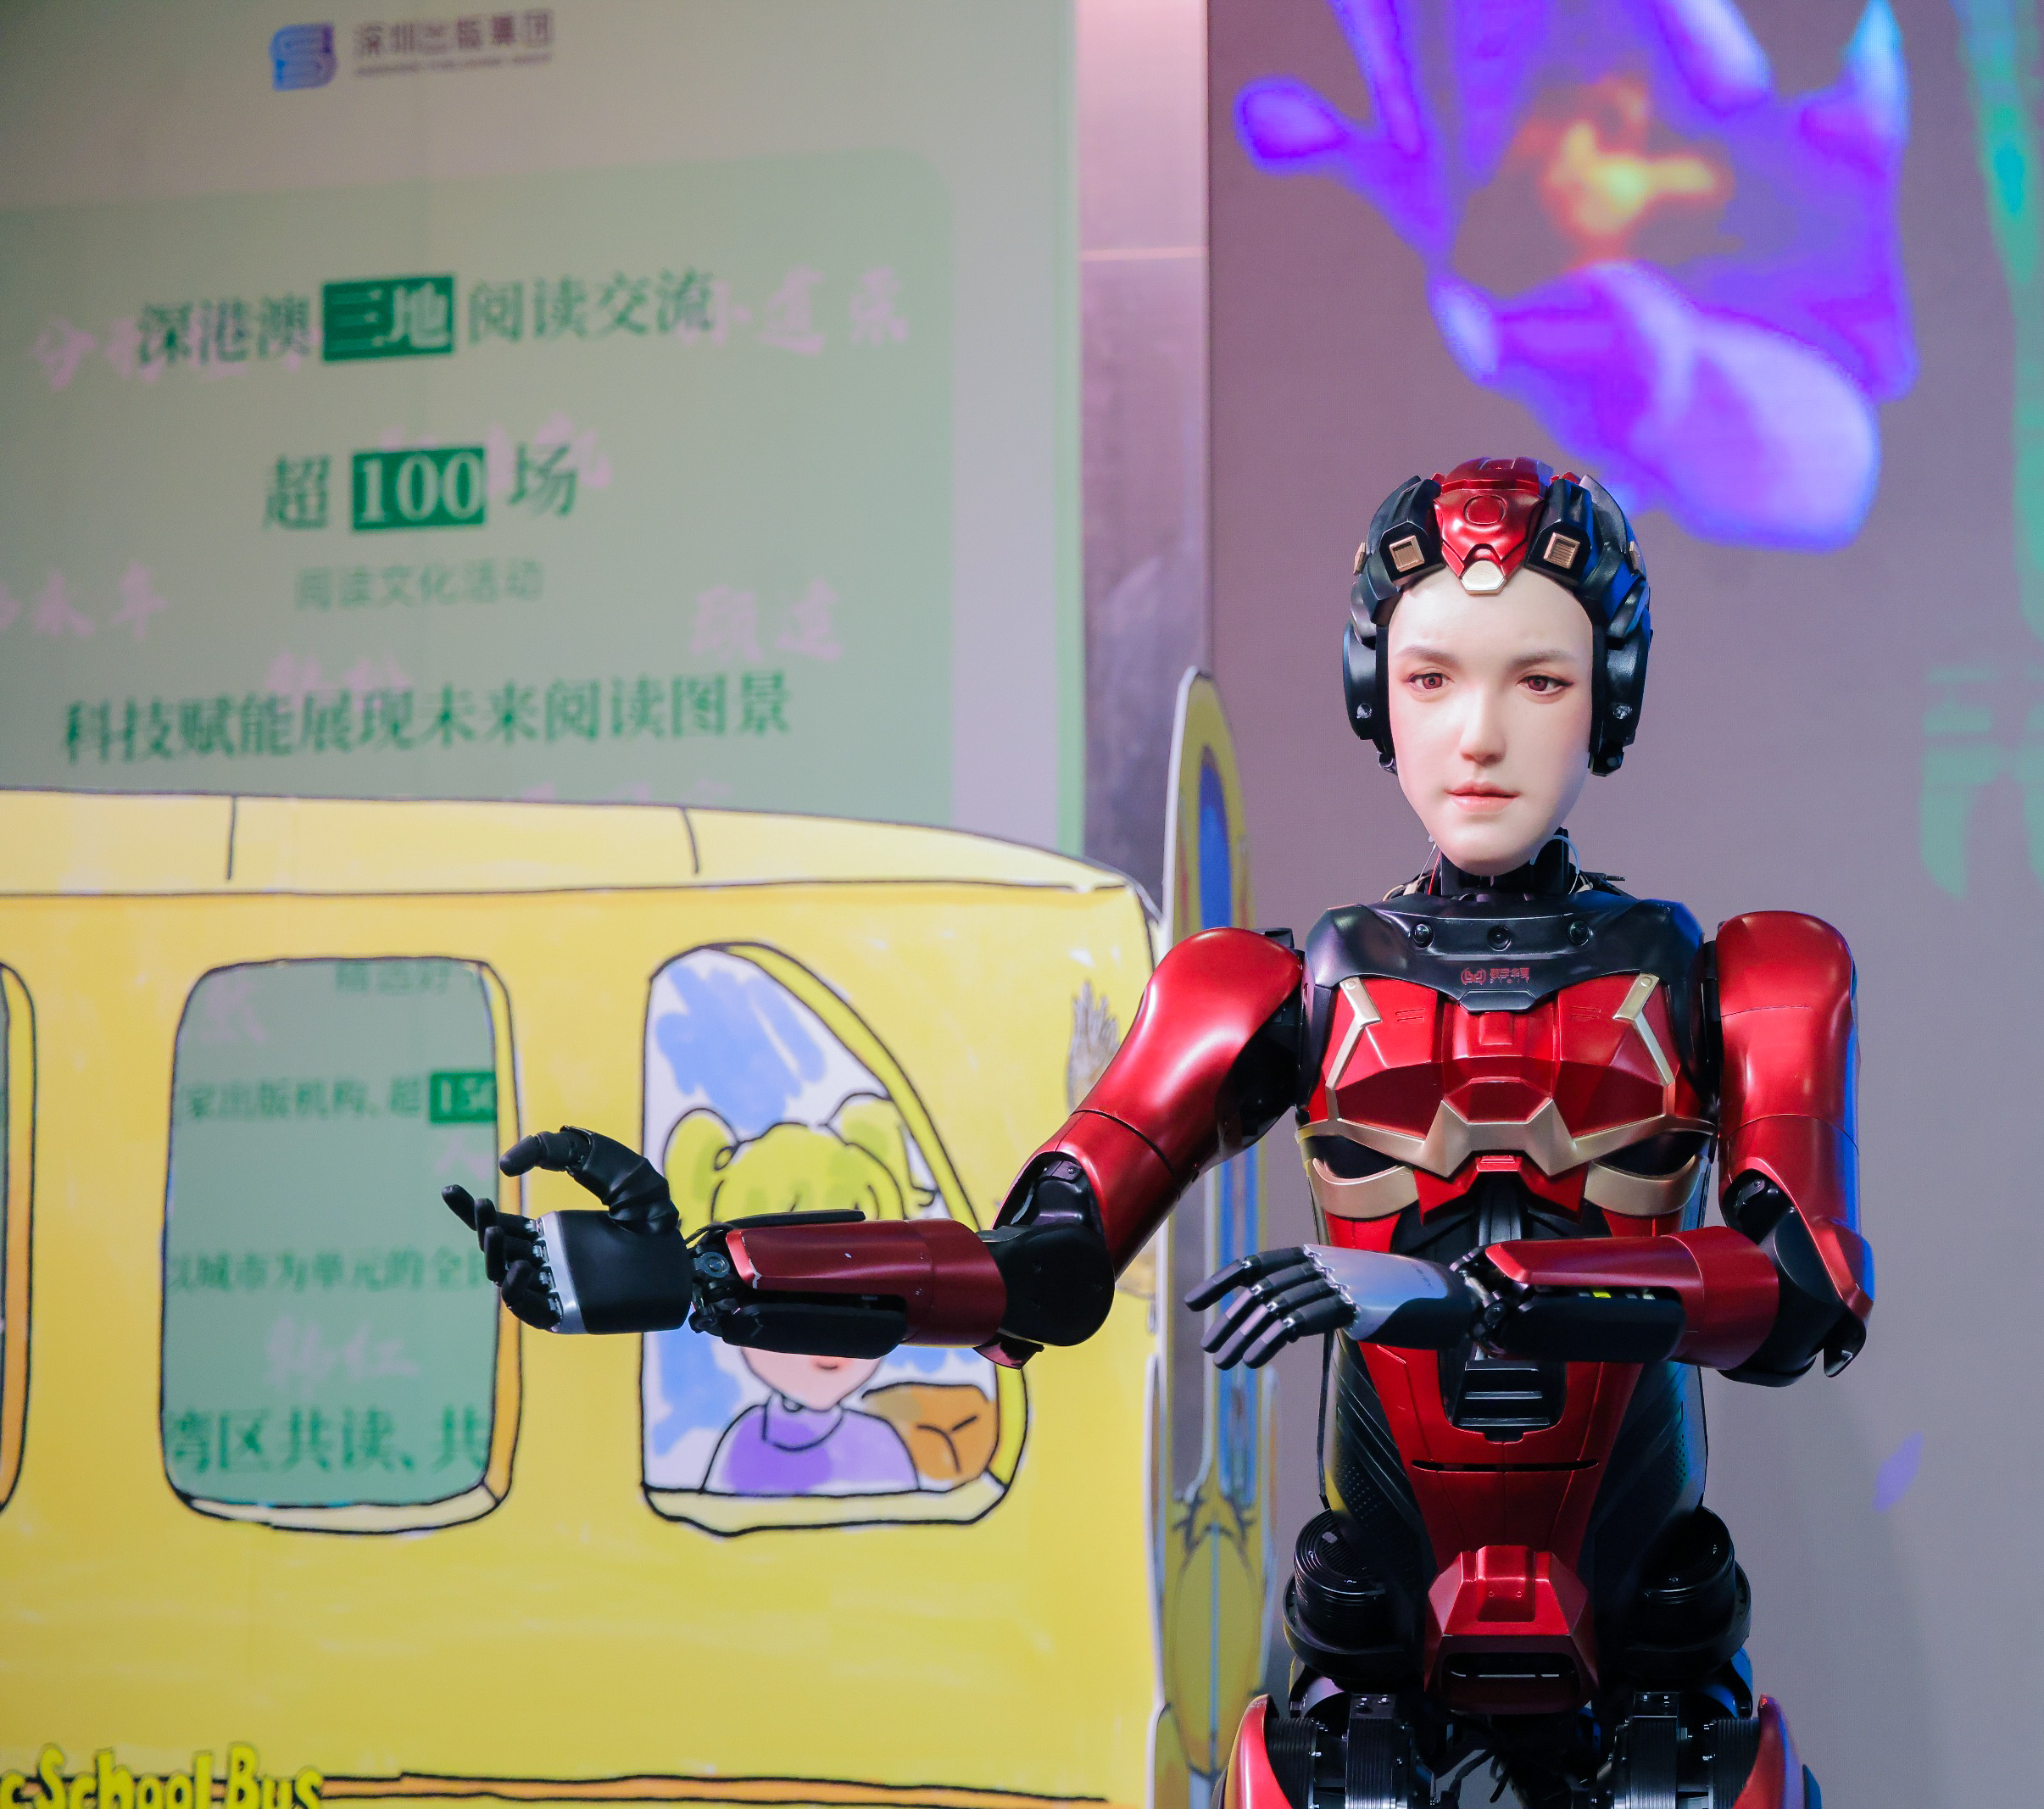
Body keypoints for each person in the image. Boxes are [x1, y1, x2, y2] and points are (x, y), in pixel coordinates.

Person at [446, 457, 1869, 1809]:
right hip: (1371, 1628)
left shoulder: (1735, 976)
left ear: (1609, 695)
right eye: (1433, 678)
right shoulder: (1275, 989)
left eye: (1538, 679)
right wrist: (709, 1276)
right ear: (1375, 695)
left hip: (1648, 1619)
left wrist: (1455, 1291)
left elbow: (1799, 1294)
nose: (1480, 734)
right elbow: (1038, 1268)